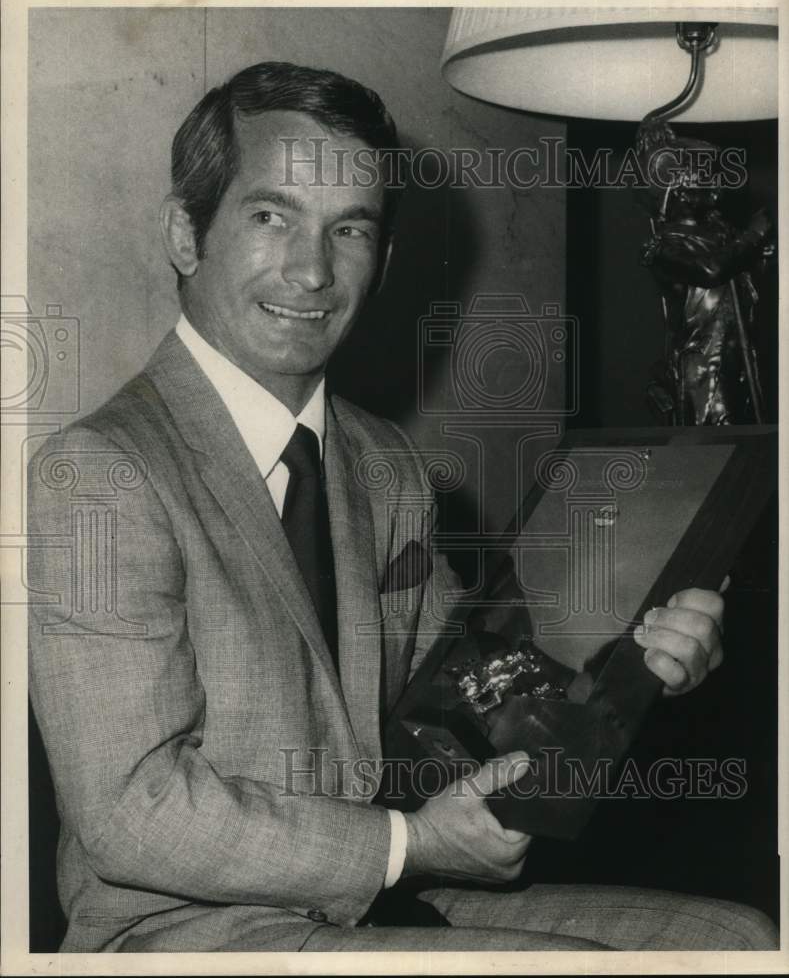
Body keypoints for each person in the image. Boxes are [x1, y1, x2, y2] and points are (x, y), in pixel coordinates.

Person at [27, 61, 778, 953]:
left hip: (376, 899)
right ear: (186, 234)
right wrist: (408, 842)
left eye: (349, 228)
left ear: (381, 260)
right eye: (271, 216)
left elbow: (470, 704)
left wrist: (637, 665)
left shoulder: (385, 464)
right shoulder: (102, 471)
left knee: (733, 938)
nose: (311, 271)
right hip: (178, 928)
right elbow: (129, 812)